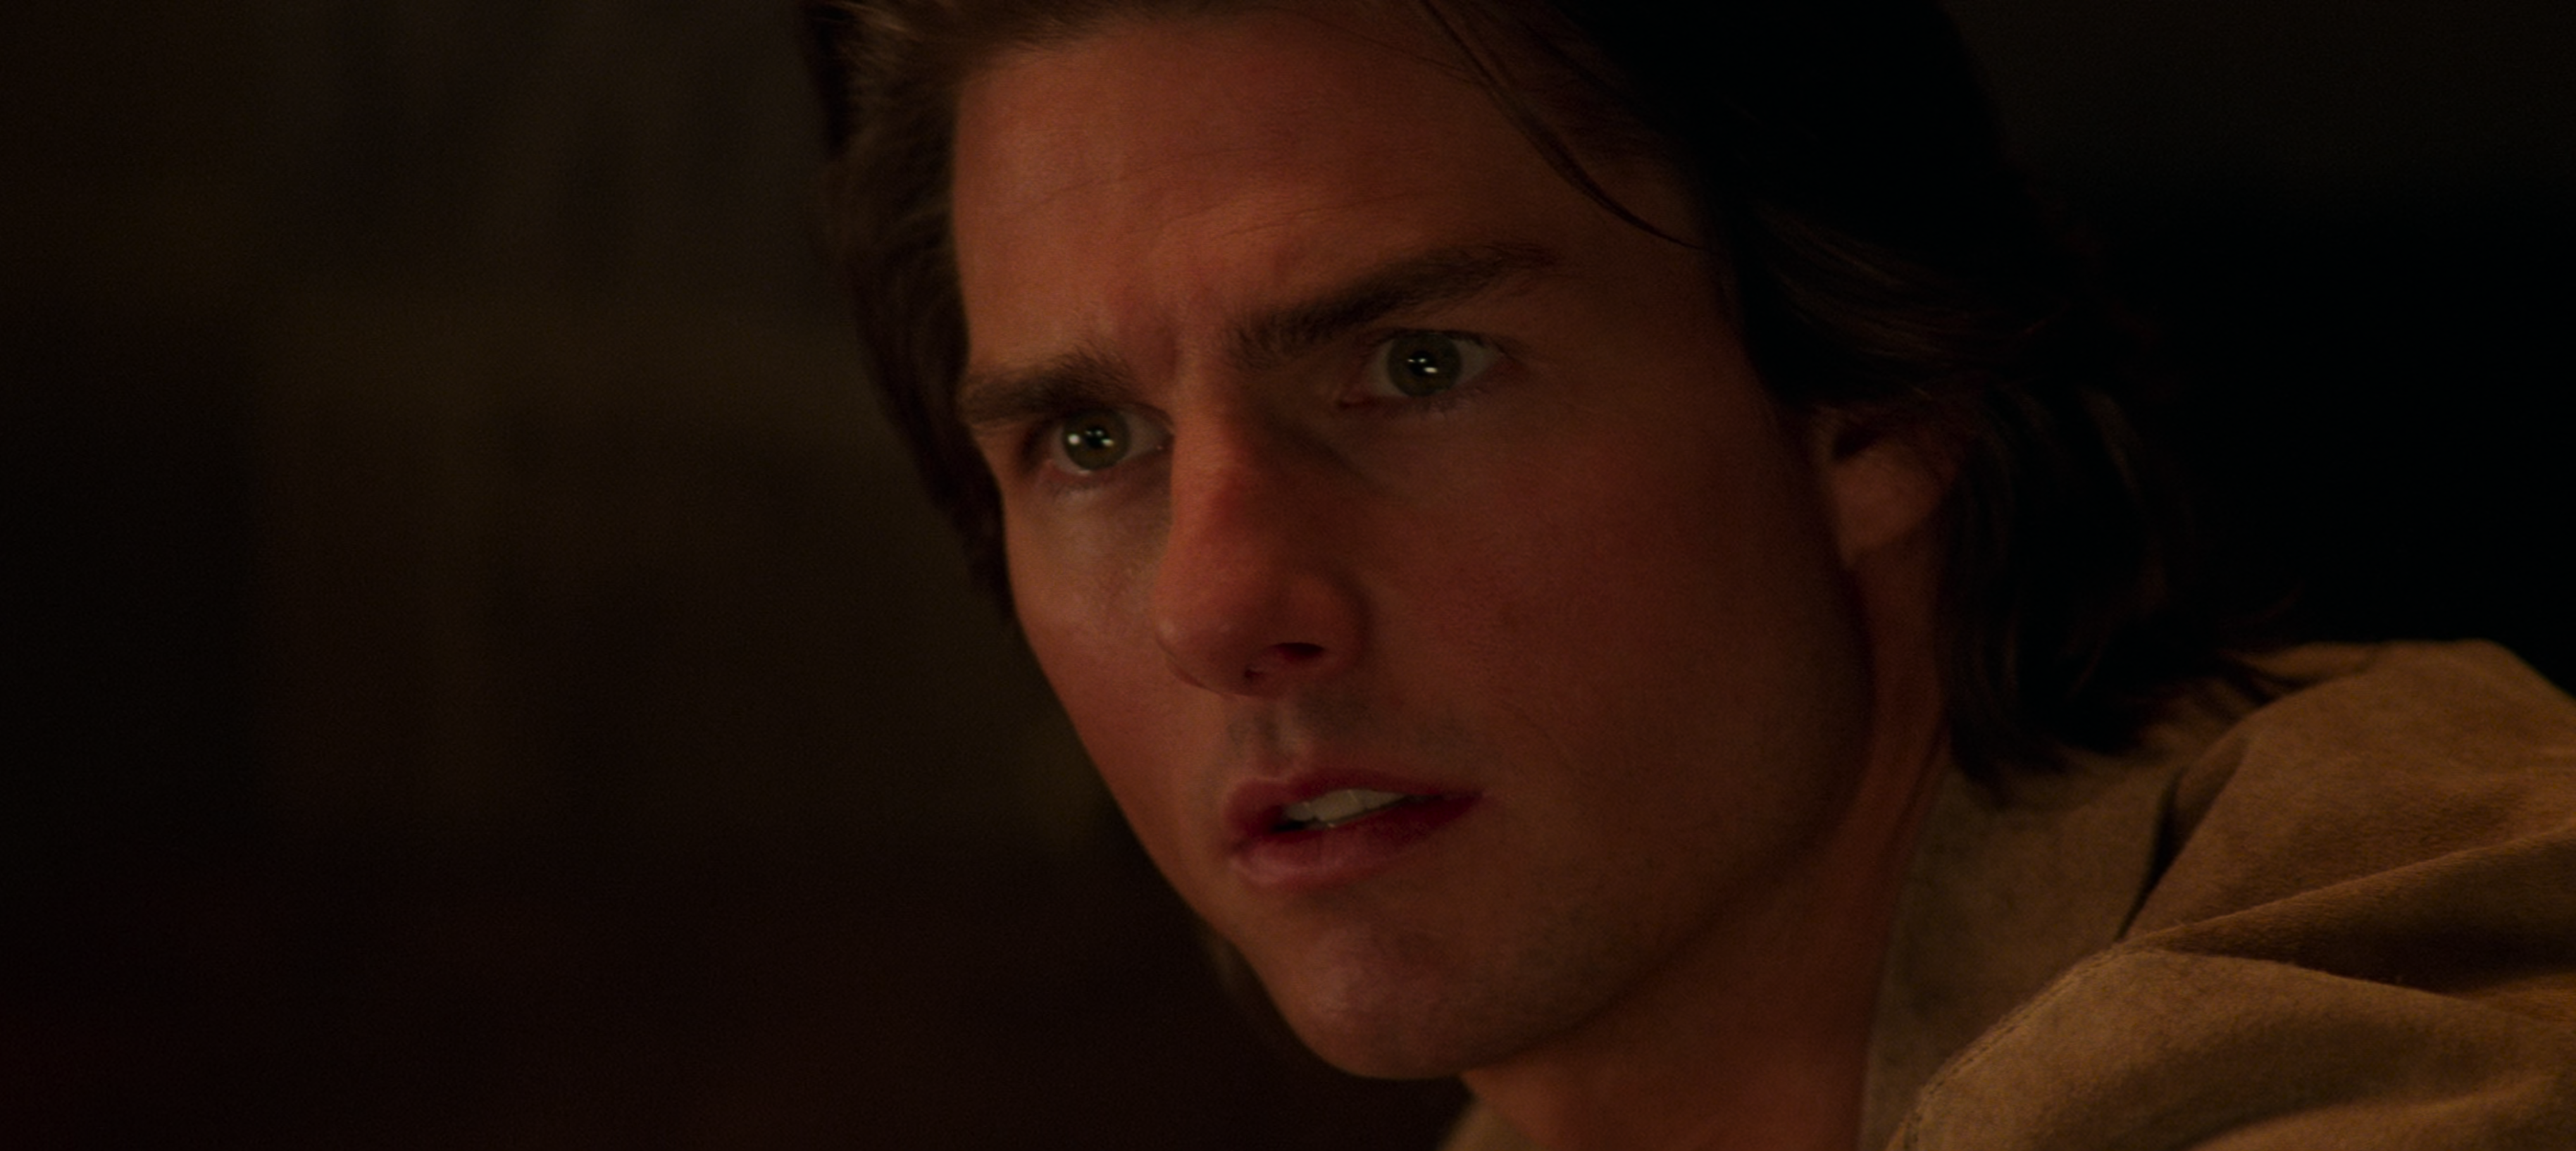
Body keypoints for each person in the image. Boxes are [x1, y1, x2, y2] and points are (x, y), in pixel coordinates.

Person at [805, 1, 2576, 1147]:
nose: (1214, 608)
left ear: (1872, 403)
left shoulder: (2412, 922)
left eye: (1419, 365)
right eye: (1092, 442)